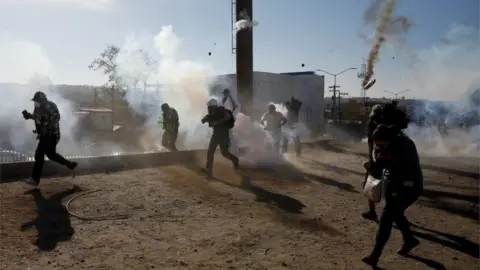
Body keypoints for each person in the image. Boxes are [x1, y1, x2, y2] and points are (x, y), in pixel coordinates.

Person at [362, 124, 423, 268]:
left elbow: (404, 167)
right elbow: (379, 163)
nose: (379, 148)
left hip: (409, 186)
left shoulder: (405, 145)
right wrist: (371, 166)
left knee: (387, 216)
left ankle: (375, 255)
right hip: (393, 184)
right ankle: (409, 239)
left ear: (388, 139)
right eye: (377, 145)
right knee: (395, 213)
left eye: (381, 145)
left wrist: (381, 163)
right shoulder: (383, 144)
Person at [22, 91, 78, 187]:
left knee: (39, 154)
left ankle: (35, 179)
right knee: (51, 155)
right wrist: (29, 116)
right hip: (44, 135)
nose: (35, 103)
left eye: (37, 101)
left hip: (52, 134)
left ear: (43, 100)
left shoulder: (50, 106)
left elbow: (57, 118)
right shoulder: (37, 108)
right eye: (35, 101)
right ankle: (71, 164)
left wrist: (47, 122)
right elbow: (37, 118)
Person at [201, 99, 239, 177]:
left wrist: (217, 122)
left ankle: (235, 160)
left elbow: (228, 117)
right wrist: (205, 119)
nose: (208, 108)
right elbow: (209, 118)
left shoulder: (221, 110)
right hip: (217, 135)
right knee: (211, 152)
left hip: (223, 135)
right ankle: (209, 171)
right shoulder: (212, 114)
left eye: (209, 107)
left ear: (212, 106)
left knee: (224, 153)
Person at [362, 104, 384, 221]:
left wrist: (370, 159)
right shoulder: (388, 123)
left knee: (370, 181)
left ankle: (372, 212)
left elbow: (370, 141)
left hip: (378, 157)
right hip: (391, 157)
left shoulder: (372, 121)